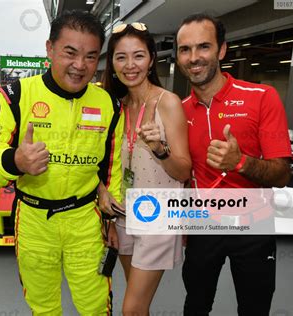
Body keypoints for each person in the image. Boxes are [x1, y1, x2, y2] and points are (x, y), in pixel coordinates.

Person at [0, 10, 123, 315]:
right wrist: (14, 160)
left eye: (91, 56)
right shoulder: (15, 95)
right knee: (43, 306)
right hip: (33, 221)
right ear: (49, 49)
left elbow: (112, 168)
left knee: (95, 305)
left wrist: (112, 217)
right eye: (70, 53)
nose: (80, 65)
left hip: (85, 219)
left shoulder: (109, 104)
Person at [175, 13, 292, 316]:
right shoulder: (178, 110)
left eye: (203, 47)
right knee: (196, 305)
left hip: (254, 223)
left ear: (222, 50)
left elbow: (281, 174)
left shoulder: (262, 97)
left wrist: (240, 162)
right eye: (185, 49)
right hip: (203, 224)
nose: (193, 57)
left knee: (254, 308)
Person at [101, 22, 191, 315]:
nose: (130, 65)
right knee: (137, 304)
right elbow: (108, 166)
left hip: (159, 215)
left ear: (152, 58)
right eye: (121, 57)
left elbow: (183, 171)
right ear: (112, 63)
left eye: (138, 56)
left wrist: (160, 150)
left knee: (131, 309)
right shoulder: (117, 105)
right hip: (125, 214)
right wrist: (111, 218)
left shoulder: (169, 103)